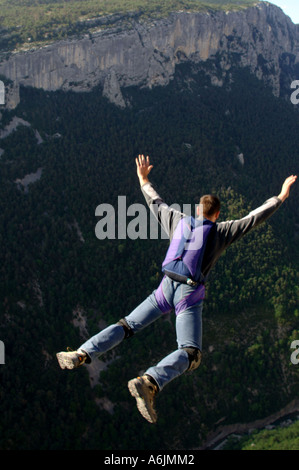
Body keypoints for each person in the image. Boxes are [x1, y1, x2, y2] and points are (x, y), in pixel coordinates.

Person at [56, 155, 297, 424]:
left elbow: (155, 202)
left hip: (164, 287)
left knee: (126, 326)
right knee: (191, 353)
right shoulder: (221, 232)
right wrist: (281, 195)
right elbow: (254, 218)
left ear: (197, 211)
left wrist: (143, 178)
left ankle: (80, 353)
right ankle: (150, 381)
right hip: (189, 295)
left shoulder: (178, 221)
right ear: (216, 215)